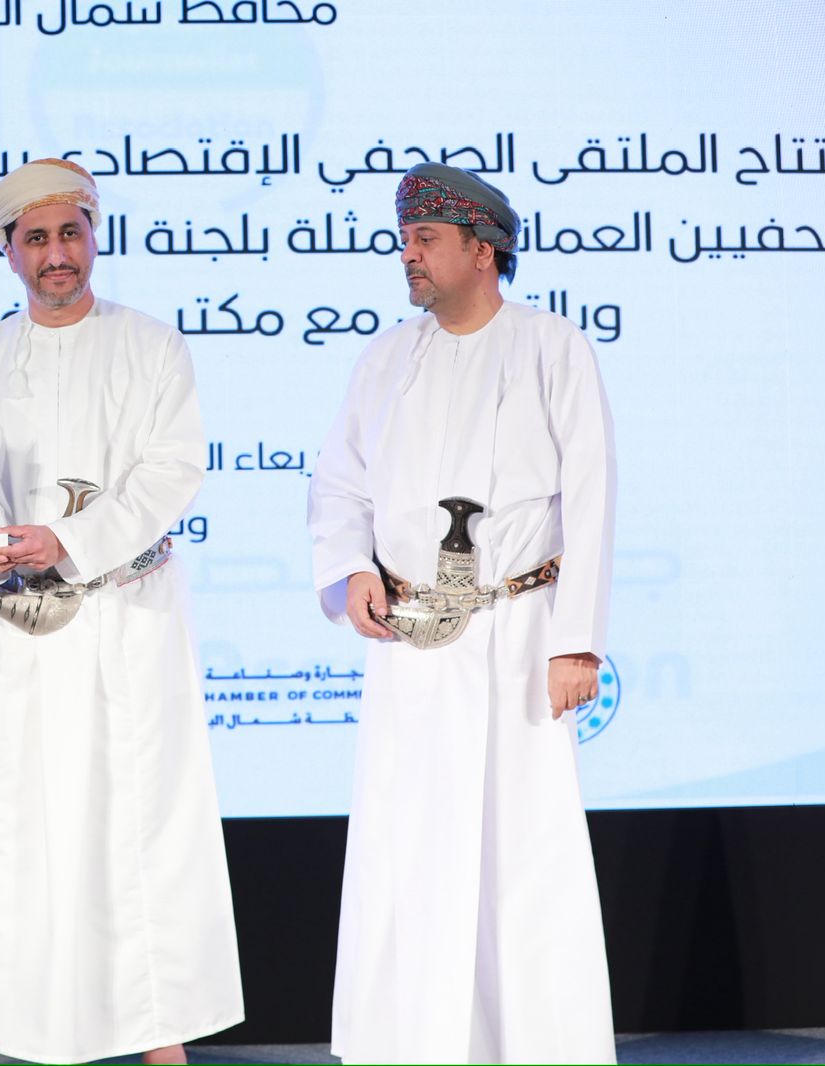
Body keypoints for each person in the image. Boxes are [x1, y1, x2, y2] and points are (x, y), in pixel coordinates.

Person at [0, 160, 244, 1065]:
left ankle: (158, 1037)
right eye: (37, 239)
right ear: (9, 252)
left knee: (140, 827)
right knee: (20, 831)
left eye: (71, 233)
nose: (57, 254)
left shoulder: (152, 346)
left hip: (126, 615)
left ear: (94, 236)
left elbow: (170, 472)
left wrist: (65, 539)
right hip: (15, 631)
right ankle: (32, 1032)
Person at [306, 163, 618, 1063]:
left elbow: (592, 495)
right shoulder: (385, 359)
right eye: (405, 239)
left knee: (523, 852)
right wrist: (349, 570)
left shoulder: (552, 346)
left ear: (483, 251)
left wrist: (576, 643)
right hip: (411, 644)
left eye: (426, 239)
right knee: (410, 846)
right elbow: (338, 484)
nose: (408, 255)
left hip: (521, 636)